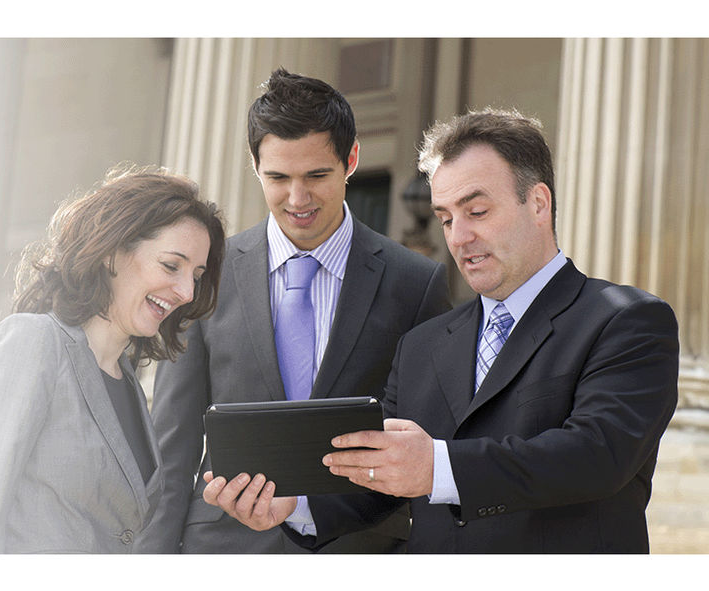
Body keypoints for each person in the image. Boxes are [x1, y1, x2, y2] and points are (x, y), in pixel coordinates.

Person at [202, 108, 680, 553]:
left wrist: (439, 467)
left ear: (538, 203)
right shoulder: (422, 345)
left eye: (477, 212)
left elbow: (597, 455)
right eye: (446, 218)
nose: (458, 237)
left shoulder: (627, 321)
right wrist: (296, 506)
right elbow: (379, 473)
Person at [138, 67, 451, 554]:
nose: (297, 199)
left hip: (358, 550)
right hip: (222, 551)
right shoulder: (206, 275)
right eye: (278, 177)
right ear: (255, 165)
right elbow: (172, 448)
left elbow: (425, 443)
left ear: (351, 160)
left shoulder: (416, 282)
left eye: (317, 176)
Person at [0, 166, 227, 553]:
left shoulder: (128, 385)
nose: (187, 291)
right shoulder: (32, 343)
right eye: (171, 266)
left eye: (197, 275)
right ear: (111, 252)